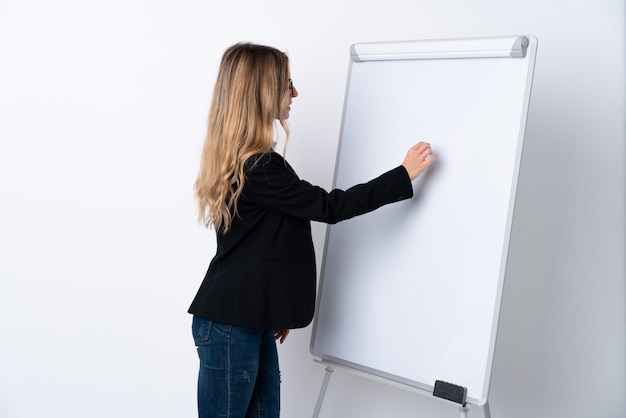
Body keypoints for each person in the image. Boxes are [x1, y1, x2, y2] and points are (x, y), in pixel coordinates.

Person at [188, 42, 436, 418]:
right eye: (287, 83)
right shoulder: (259, 168)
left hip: (246, 319)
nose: (295, 92)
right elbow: (330, 207)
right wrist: (402, 175)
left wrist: (273, 307)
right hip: (230, 326)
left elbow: (256, 247)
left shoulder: (248, 162)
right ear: (261, 91)